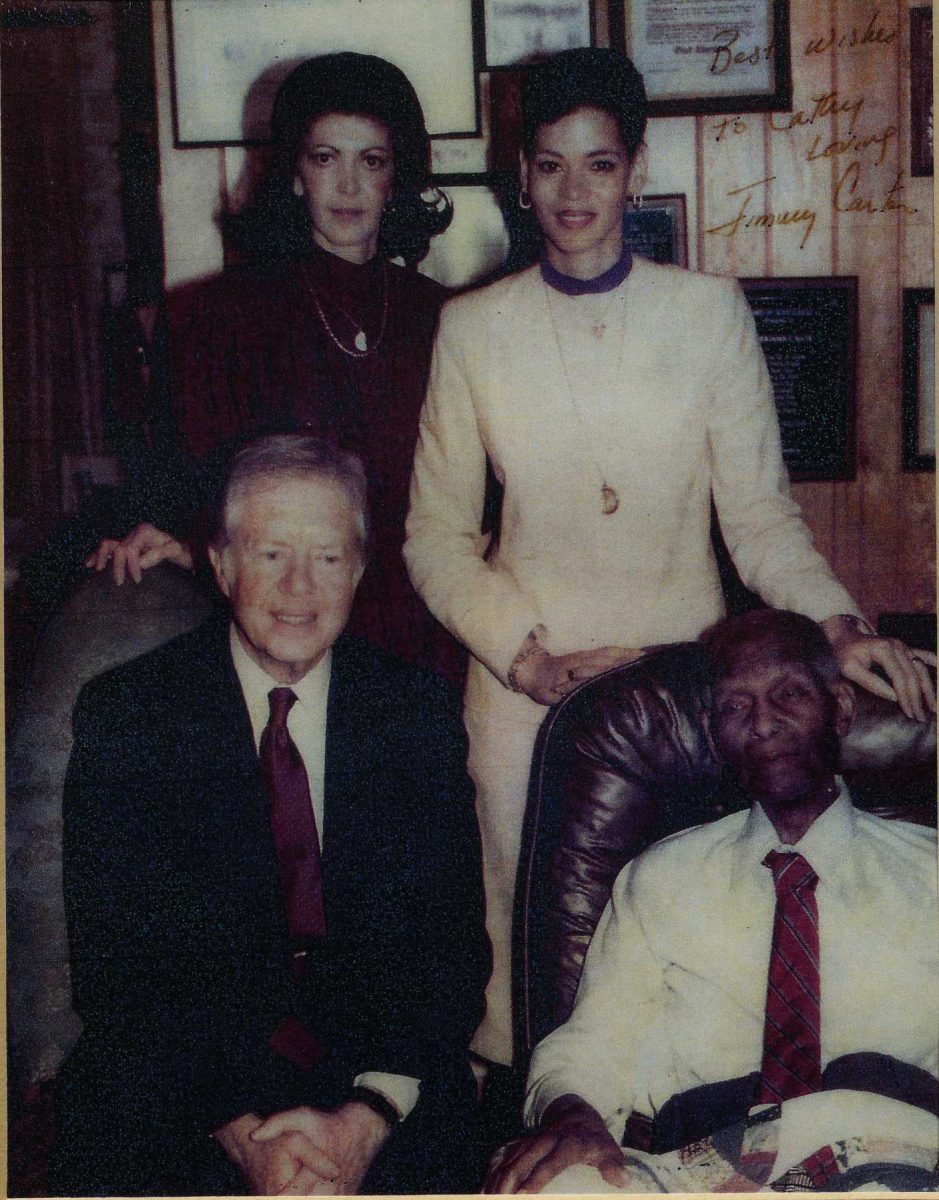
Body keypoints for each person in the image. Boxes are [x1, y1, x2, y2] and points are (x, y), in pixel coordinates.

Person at [403, 47, 936, 1069]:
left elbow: (760, 518)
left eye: (597, 165)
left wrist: (838, 626)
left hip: (692, 698)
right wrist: (525, 657)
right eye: (550, 165)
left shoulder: (706, 313)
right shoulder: (471, 330)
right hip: (526, 698)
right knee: (531, 993)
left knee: (695, 956)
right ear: (521, 175)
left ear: (634, 168)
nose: (572, 192)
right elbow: (432, 535)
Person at [51, 436, 490, 1196]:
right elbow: (115, 968)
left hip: (376, 1072)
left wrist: (362, 1122)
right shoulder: (131, 714)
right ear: (219, 565)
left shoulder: (414, 712)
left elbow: (448, 953)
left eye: (326, 558)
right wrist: (242, 1132)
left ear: (357, 569)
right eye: (269, 554)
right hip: (189, 1075)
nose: (299, 587)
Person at [485, 608, 938, 1194]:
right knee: (560, 1182)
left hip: (896, 1150)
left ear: (841, 710)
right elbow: (592, 1045)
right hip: (711, 1161)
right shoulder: (661, 878)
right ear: (713, 731)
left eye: (789, 694)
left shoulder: (929, 871)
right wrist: (574, 1116)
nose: (763, 724)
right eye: (734, 706)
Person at [87, 52, 461, 678]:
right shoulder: (218, 316)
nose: (348, 186)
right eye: (324, 158)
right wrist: (182, 536)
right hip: (291, 615)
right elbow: (192, 478)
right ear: (293, 173)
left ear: (396, 178)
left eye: (371, 161)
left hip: (426, 620)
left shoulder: (446, 318)